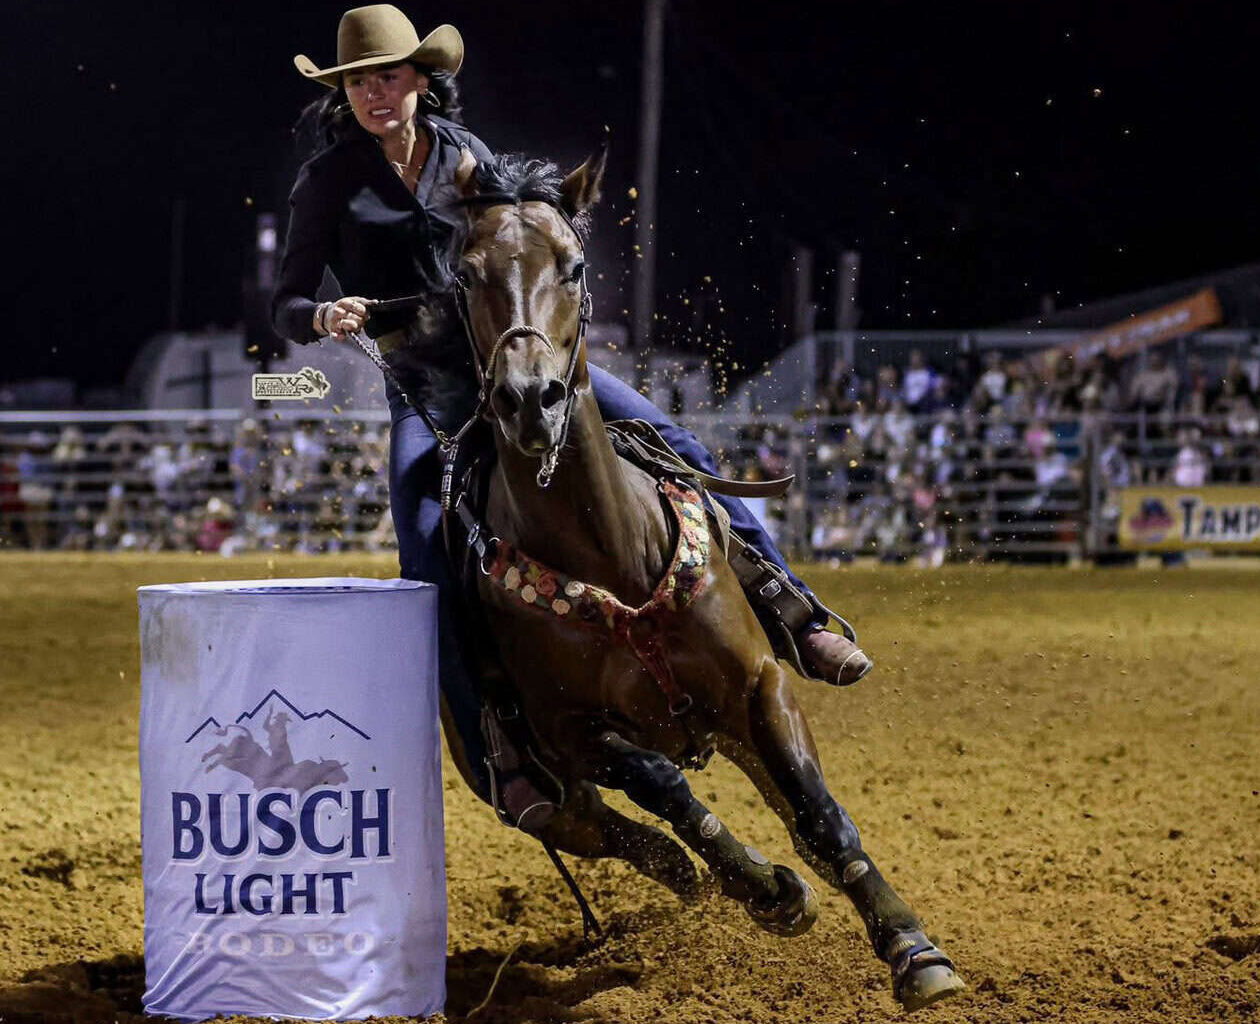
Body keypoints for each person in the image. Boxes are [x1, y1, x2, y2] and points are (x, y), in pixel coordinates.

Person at [273, 5, 872, 831]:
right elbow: (284, 301)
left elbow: (526, 237)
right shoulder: (328, 180)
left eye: (389, 76)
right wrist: (321, 316)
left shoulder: (467, 159)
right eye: (359, 82)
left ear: (419, 80)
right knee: (422, 547)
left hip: (523, 360)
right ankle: (496, 743)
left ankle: (793, 611)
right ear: (346, 92)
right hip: (428, 386)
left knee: (675, 440)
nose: (376, 94)